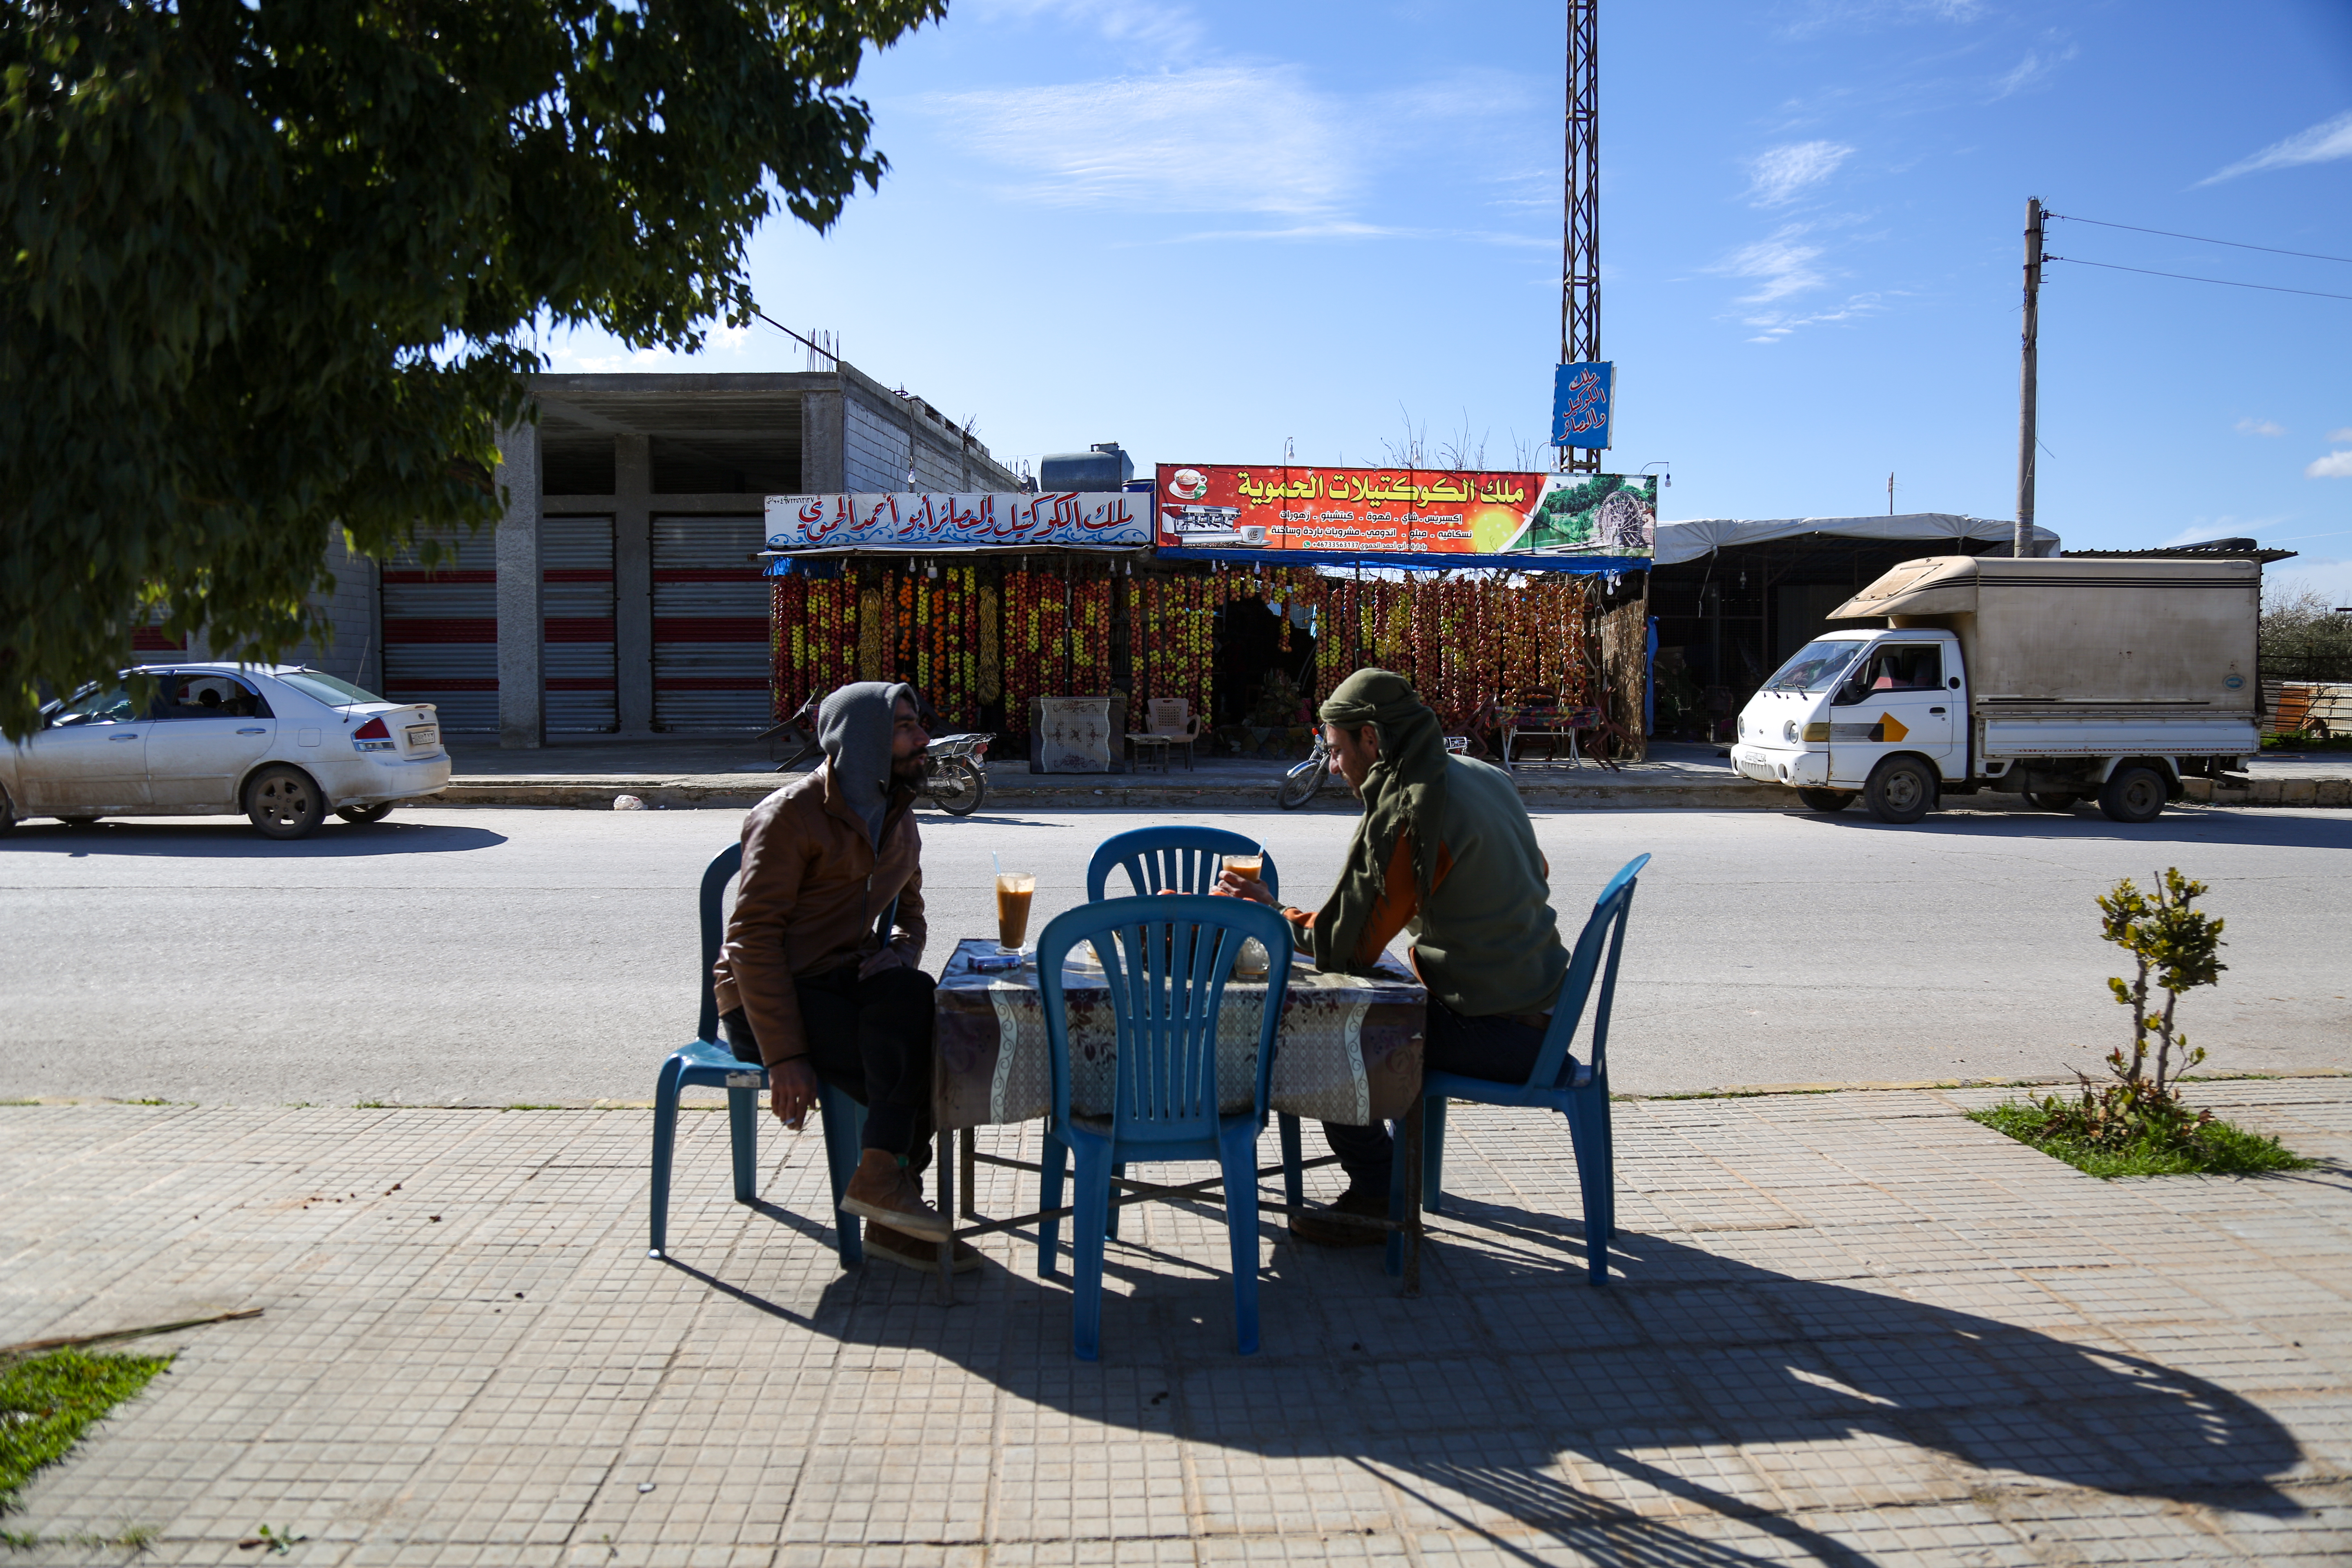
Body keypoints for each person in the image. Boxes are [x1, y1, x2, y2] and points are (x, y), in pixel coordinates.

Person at [1218, 667, 1569, 1246]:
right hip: (1545, 1012)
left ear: (1372, 740)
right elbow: (1539, 871)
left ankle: (1379, 1191)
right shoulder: (1480, 774)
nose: (1333, 768)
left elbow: (1346, 948)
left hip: (1501, 1031)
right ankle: (1388, 1178)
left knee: (1330, 1037)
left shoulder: (1411, 805)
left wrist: (1270, 913)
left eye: (1336, 751)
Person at [711, 681, 976, 1273]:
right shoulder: (788, 817)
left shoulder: (900, 818)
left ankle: (885, 1187)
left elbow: (911, 915)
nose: (924, 740)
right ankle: (890, 1195)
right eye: (907, 728)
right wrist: (784, 1057)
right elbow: (751, 942)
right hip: (763, 1000)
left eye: (919, 725)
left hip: (840, 981)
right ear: (863, 742)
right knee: (909, 1058)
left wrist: (901, 955)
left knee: (916, 1000)